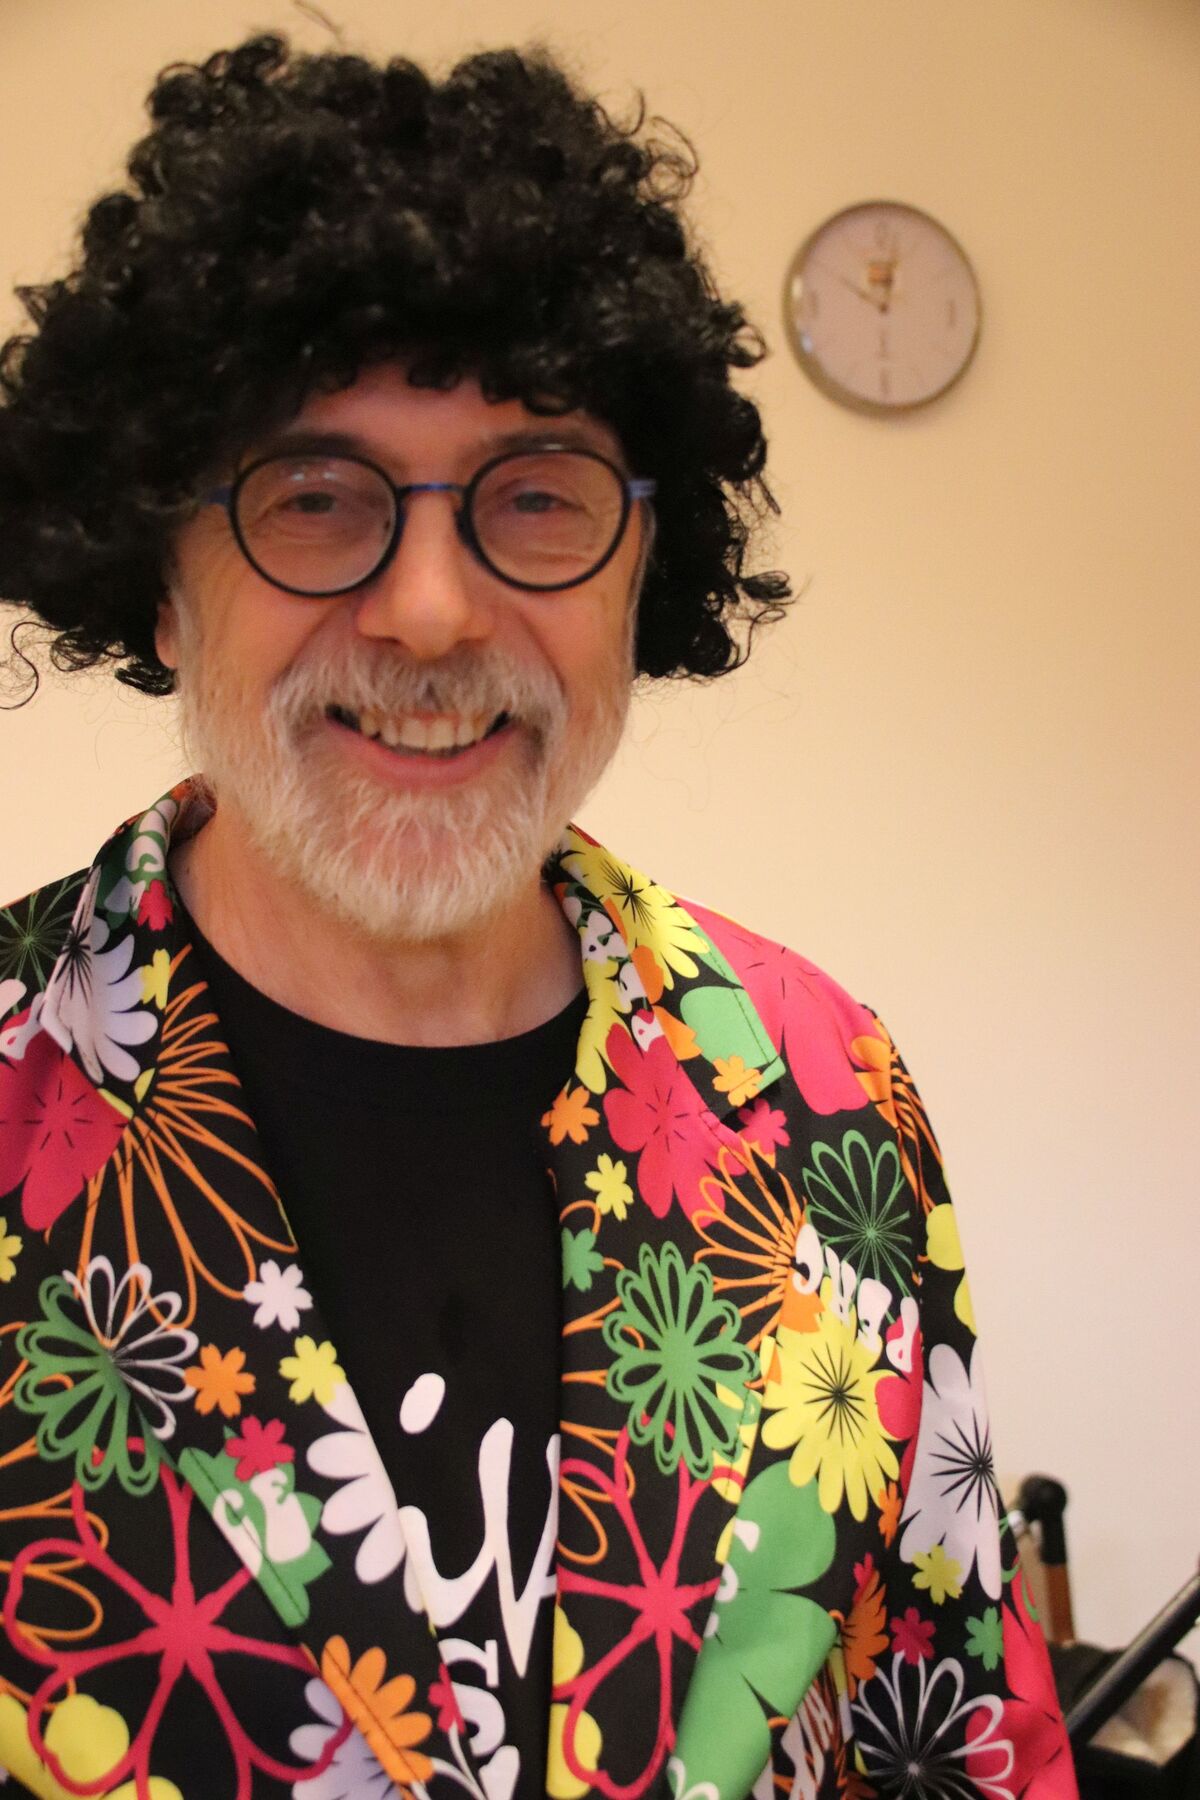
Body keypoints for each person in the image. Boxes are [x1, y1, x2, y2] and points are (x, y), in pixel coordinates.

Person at [0, 34, 1076, 1800]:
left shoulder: (832, 1100)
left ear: (643, 570)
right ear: (158, 578)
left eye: (537, 495)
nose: (432, 610)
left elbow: (958, 1741)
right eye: (316, 496)